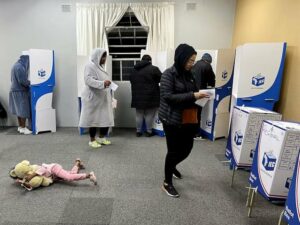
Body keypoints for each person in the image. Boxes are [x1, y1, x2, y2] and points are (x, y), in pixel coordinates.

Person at [159, 44, 209, 198]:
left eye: (193, 61)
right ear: (180, 58)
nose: (191, 64)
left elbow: (192, 91)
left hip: (188, 117)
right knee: (173, 151)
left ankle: (172, 166)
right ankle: (167, 182)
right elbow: (168, 97)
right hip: (171, 119)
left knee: (187, 148)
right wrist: (193, 96)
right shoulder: (168, 74)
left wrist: (200, 95)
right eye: (189, 60)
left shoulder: (190, 74)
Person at [79, 48, 114, 148]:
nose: (104, 58)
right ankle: (92, 140)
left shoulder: (101, 67)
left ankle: (101, 138)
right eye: (103, 56)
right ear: (97, 56)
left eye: (105, 56)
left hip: (102, 98)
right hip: (93, 98)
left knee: (105, 119)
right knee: (93, 120)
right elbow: (88, 80)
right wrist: (103, 83)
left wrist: (108, 84)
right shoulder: (90, 66)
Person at [129, 54, 162, 137]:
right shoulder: (154, 69)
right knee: (149, 114)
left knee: (139, 114)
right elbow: (161, 78)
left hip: (137, 95)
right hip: (151, 95)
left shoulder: (134, 69)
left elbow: (131, 80)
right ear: (150, 61)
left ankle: (138, 131)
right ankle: (149, 131)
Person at [18, 159, 97, 191]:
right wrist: (25, 184)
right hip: (54, 177)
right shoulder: (26, 178)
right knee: (72, 175)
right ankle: (77, 163)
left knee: (69, 177)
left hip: (53, 168)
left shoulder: (34, 169)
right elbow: (32, 186)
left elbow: (42, 170)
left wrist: (31, 176)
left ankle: (89, 175)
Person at [191, 53, 216, 140]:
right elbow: (212, 80)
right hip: (201, 92)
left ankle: (191, 132)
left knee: (193, 112)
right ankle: (196, 134)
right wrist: (212, 85)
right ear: (209, 61)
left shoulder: (195, 64)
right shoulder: (207, 66)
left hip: (192, 92)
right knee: (198, 113)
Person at [9, 54, 32, 134]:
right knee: (23, 110)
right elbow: (23, 81)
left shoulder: (15, 65)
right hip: (20, 91)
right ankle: (24, 128)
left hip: (14, 90)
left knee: (18, 110)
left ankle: (20, 127)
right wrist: (30, 83)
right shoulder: (20, 67)